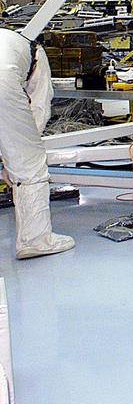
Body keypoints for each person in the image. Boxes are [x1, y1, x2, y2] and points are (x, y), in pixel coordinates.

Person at [0, 28, 74, 260]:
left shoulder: (10, 41)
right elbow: (39, 109)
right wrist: (13, 159)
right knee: (29, 163)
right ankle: (36, 240)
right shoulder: (37, 54)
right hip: (2, 79)